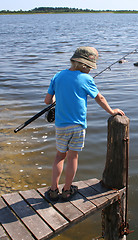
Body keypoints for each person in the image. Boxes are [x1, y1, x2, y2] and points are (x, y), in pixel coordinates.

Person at [44, 46, 125, 201]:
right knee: (73, 157)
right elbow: (99, 98)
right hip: (78, 126)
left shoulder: (58, 76)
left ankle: (53, 190)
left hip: (61, 126)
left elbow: (48, 100)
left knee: (60, 156)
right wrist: (111, 111)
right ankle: (67, 189)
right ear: (85, 65)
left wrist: (56, 100)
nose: (90, 70)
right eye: (89, 67)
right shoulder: (86, 79)